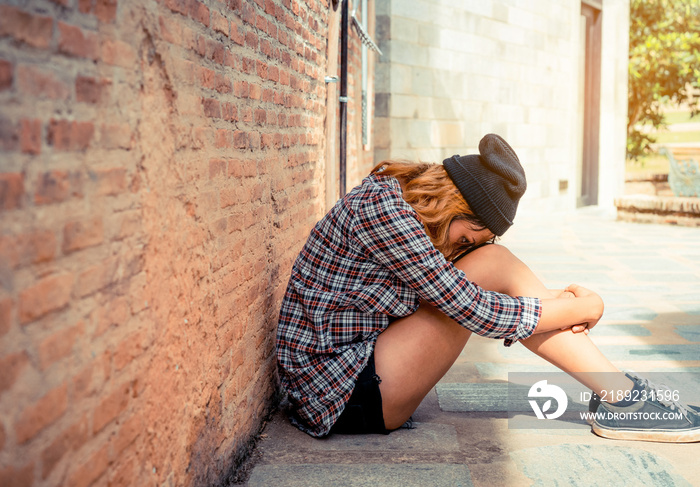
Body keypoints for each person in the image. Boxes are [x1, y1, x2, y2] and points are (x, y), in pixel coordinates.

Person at [276, 133, 700, 442]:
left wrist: (555, 305)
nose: (456, 250)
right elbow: (474, 310)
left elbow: (473, 300)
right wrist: (577, 307)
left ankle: (618, 393)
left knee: (496, 266)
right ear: (452, 202)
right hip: (337, 394)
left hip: (356, 371)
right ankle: (622, 396)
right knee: (493, 270)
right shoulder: (386, 214)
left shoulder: (400, 204)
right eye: (464, 240)